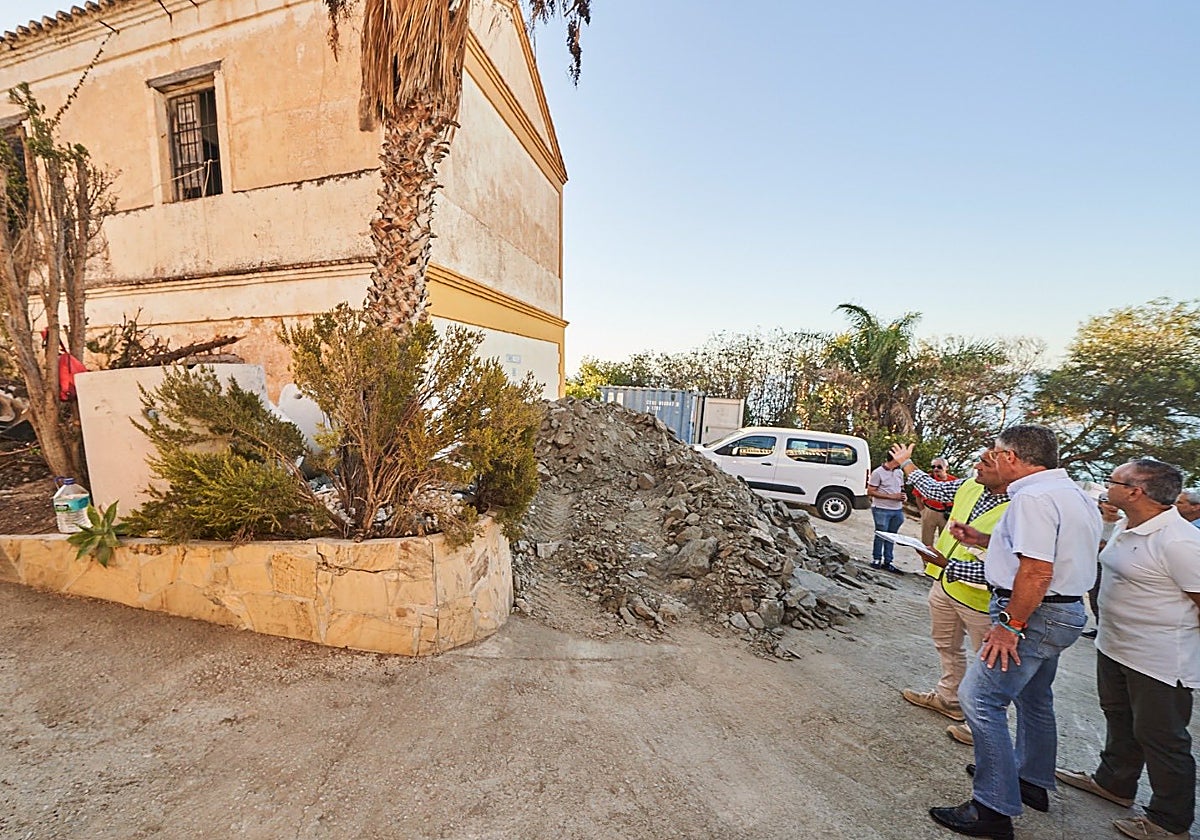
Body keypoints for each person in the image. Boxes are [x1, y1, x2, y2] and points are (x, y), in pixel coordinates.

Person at [927, 424, 1101, 840]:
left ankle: (992, 808)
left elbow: (1038, 570)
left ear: (1011, 458)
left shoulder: (1032, 499)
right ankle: (1029, 781)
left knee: (980, 698)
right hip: (1063, 611)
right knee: (1034, 697)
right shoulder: (1071, 494)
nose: (991, 458)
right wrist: (984, 539)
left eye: (996, 452)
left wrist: (1009, 626)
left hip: (1032, 615)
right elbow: (1043, 552)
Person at [1056, 459, 1200, 840]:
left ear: (1136, 491)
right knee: (1119, 717)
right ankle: (1114, 784)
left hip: (1160, 660)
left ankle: (1169, 823)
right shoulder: (1127, 524)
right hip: (1116, 645)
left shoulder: (1180, 541)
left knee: (1163, 737)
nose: (1108, 487)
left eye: (1114, 481)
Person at [890, 444, 1010, 744]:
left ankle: (982, 723)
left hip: (984, 600)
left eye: (984, 463)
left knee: (990, 663)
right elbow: (934, 489)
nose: (977, 467)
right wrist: (907, 464)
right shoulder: (970, 486)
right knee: (946, 645)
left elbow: (1015, 567)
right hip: (947, 585)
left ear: (1008, 468)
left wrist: (948, 564)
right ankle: (949, 698)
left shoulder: (1021, 507)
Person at [1082, 499, 1124, 640]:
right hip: (1092, 563)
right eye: (1108, 503)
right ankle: (1101, 627)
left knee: (1108, 598)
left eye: (1115, 504)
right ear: (1100, 504)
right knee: (1094, 598)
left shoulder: (1123, 523)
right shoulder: (1093, 520)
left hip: (1111, 566)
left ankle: (1108, 631)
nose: (1112, 507)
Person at [868, 453, 906, 573]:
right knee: (881, 534)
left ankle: (888, 561)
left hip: (897, 509)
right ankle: (876, 559)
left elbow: (901, 487)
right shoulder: (878, 472)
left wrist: (904, 497)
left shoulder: (899, 472)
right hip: (881, 508)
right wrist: (891, 496)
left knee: (892, 536)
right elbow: (870, 491)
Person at [913, 457, 957, 546]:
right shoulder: (928, 479)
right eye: (933, 467)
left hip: (945, 514)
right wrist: (922, 511)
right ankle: (926, 560)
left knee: (944, 542)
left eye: (939, 467)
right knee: (926, 542)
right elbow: (917, 495)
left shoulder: (954, 481)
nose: (936, 469)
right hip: (929, 511)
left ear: (947, 468)